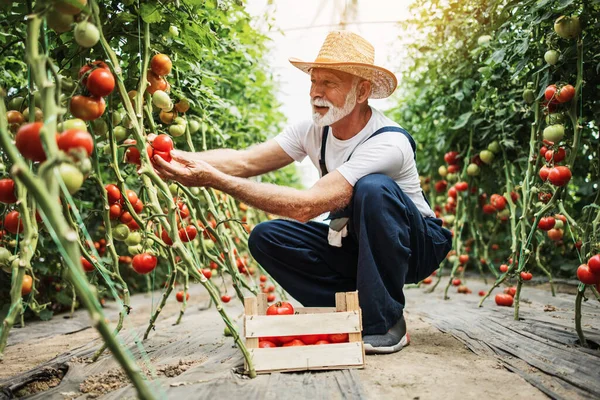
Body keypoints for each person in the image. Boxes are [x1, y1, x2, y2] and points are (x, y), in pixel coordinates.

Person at [153, 30, 453, 354]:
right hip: (357, 245)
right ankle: (352, 307)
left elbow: (306, 207)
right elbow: (244, 161)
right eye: (314, 81)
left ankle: (386, 321)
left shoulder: (387, 142)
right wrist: (170, 157)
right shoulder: (312, 131)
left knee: (373, 188)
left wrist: (215, 180)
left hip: (413, 246)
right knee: (268, 237)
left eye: (329, 83)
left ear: (362, 90)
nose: (316, 93)